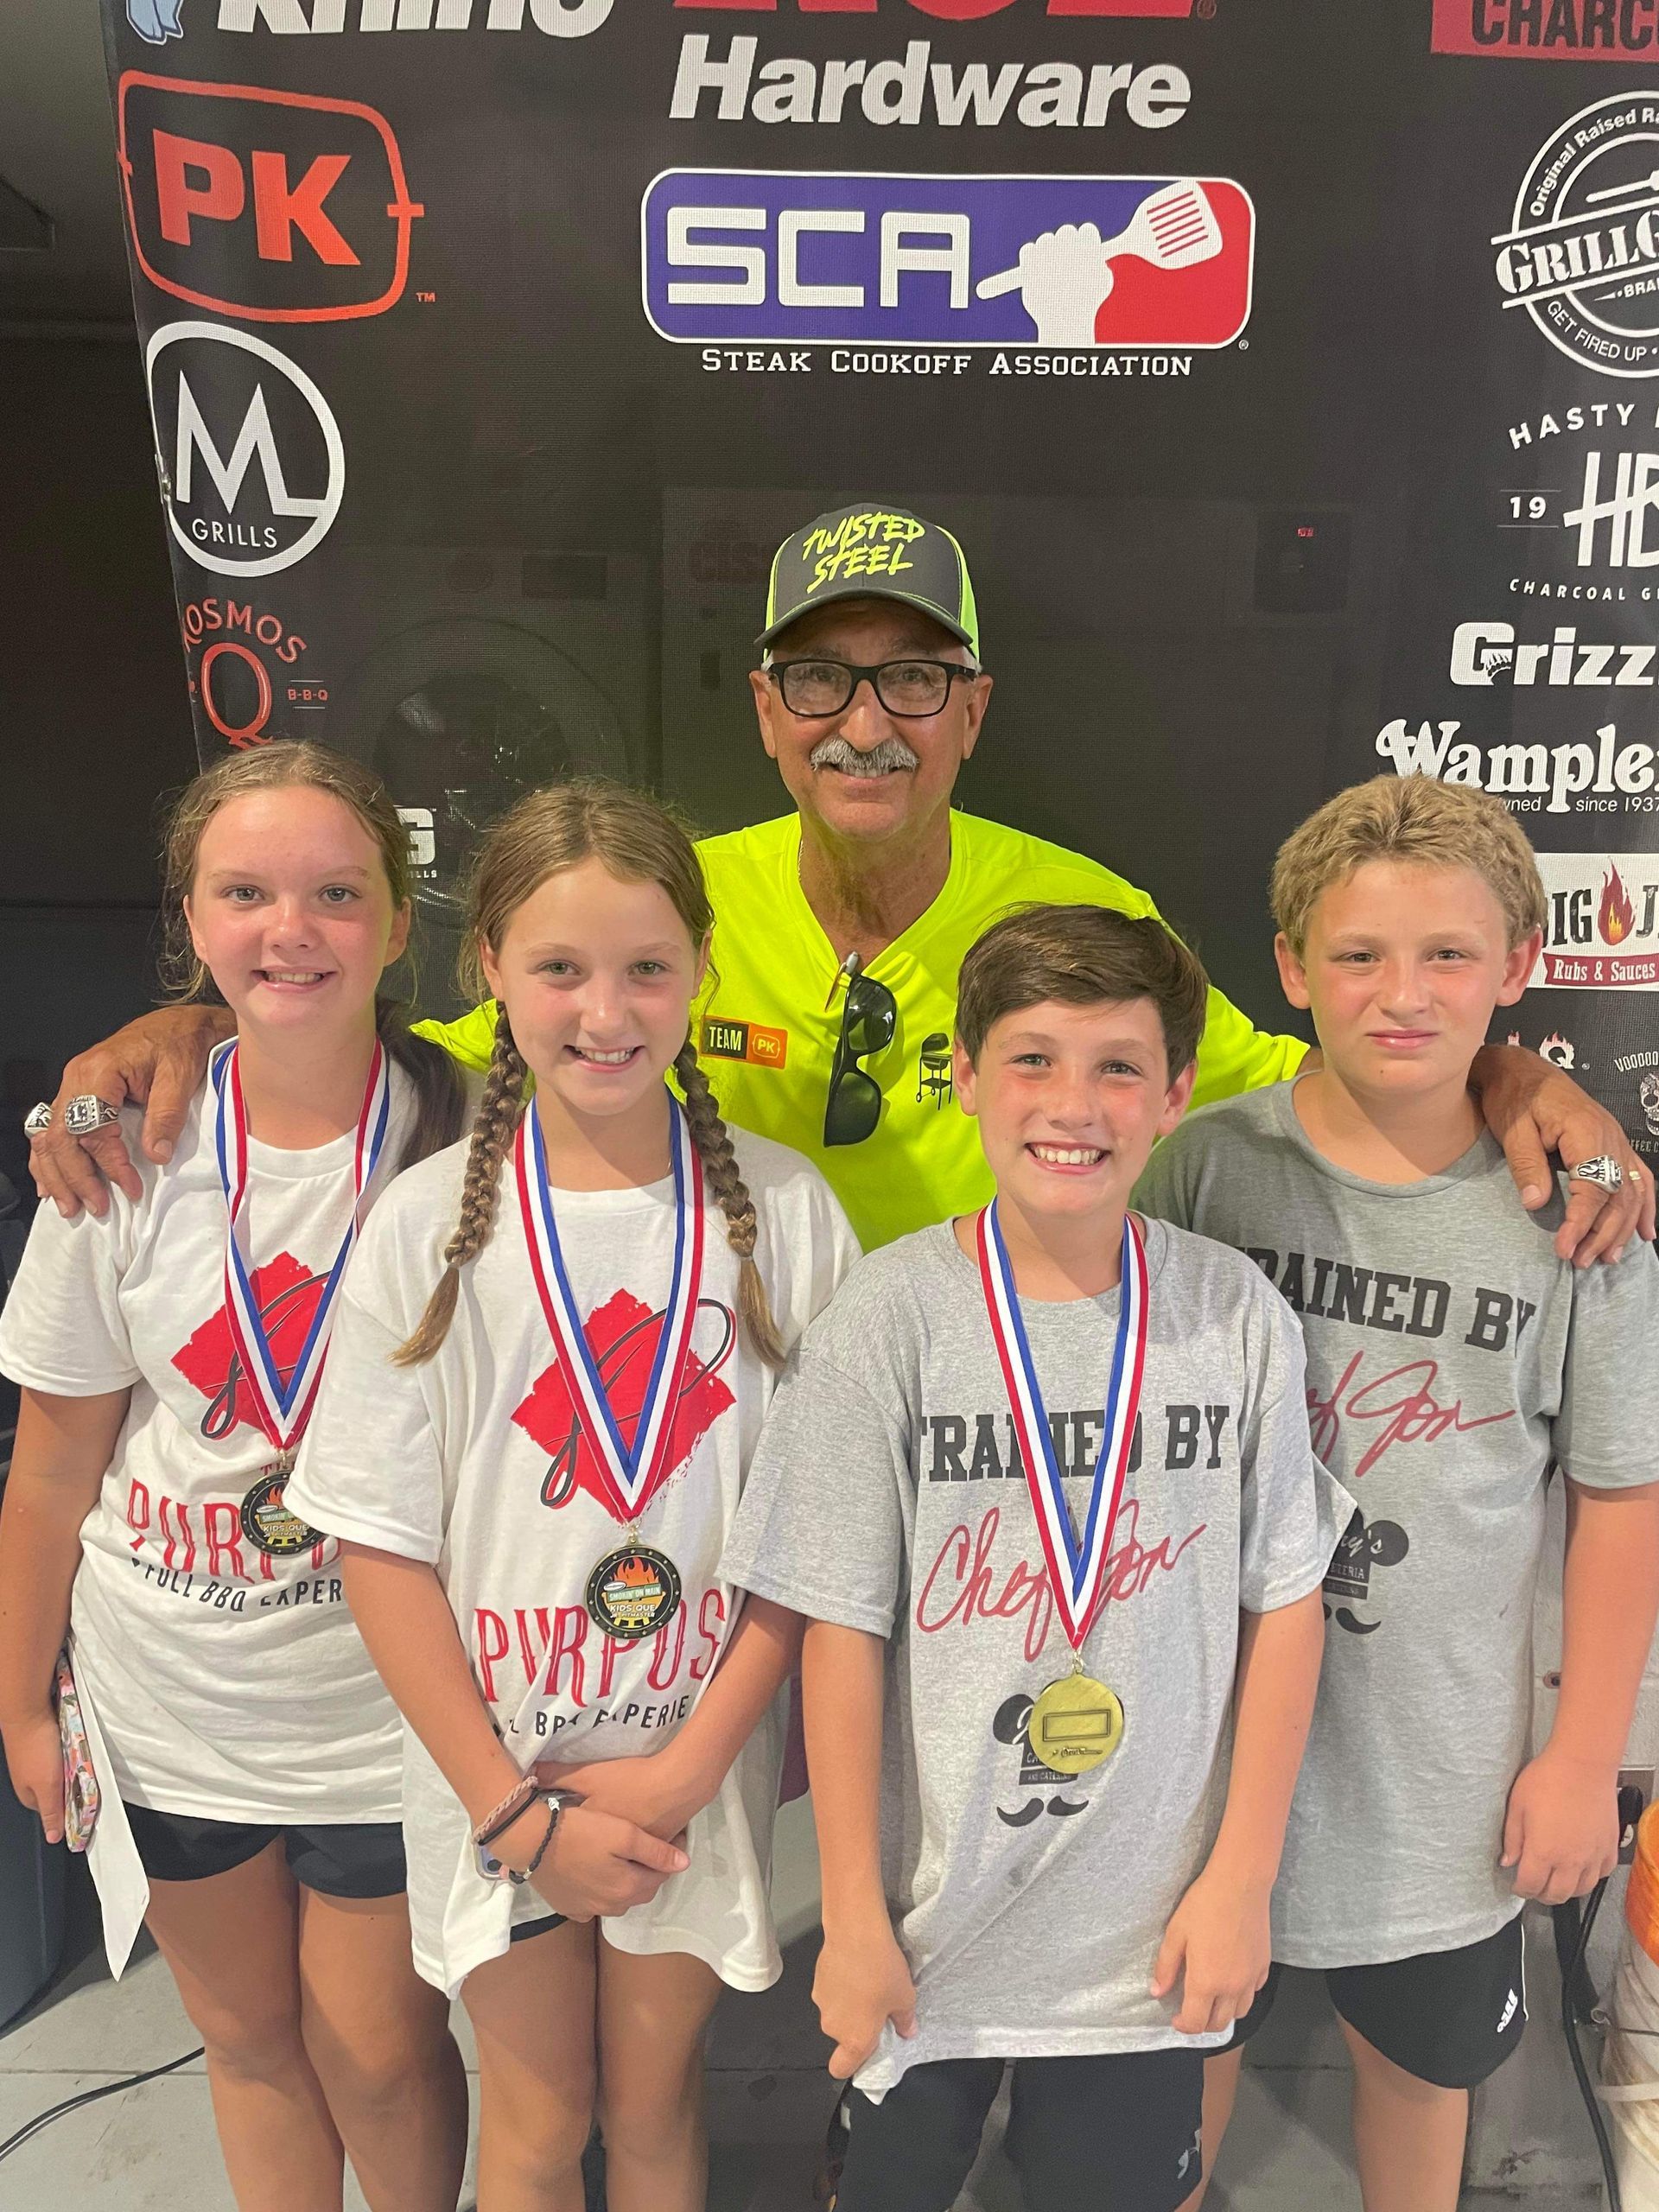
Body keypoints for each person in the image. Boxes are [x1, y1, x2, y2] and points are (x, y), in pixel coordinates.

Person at [25, 504, 1650, 1266]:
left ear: (976, 712)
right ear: (763, 713)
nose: (865, 724)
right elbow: (423, 1070)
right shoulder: (670, 908)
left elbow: (1322, 1087)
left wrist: (1509, 1069)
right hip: (696, 1413)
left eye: (914, 680)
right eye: (819, 681)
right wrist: (192, 1031)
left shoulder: (1084, 914)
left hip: (984, 1425)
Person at [720, 902, 1352, 2212]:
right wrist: (846, 1914)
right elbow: (840, 1629)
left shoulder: (1232, 1315)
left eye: (1120, 1066)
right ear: (964, 1072)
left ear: (1175, 1095)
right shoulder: (889, 1321)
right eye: (1035, 1059)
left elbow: (1286, 1607)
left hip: (1146, 1940)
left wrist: (1243, 1879)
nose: (1077, 1102)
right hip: (926, 1934)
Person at [283, 780, 861, 2212]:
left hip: (693, 1769)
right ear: (486, 970)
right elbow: (378, 1549)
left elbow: (820, 1546)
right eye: (559, 968)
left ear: (702, 971)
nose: (606, 1010)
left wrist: (680, 1772)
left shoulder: (784, 1216)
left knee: (659, 2115)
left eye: (647, 968)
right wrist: (514, 1812)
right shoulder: (423, 1227)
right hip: (502, 1779)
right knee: (537, 2131)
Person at [1134, 776, 1659, 2212]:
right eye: (1358, 956)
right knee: (1174, 2081)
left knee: (1422, 2115)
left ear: (1520, 965)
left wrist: (1584, 1756)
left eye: (1446, 956)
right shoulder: (1204, 1170)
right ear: (1294, 968)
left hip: (1441, 1780)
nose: (1402, 994)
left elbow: (1622, 1496)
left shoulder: (1578, 1219)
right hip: (1199, 1760)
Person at [0, 744, 469, 2212]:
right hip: (172, 1694)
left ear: (401, 924)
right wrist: (20, 1702)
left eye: (337, 893)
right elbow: (55, 1459)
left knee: (382, 2052)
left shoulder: (477, 1147)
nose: (293, 929)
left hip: (378, 1702)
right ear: (193, 924)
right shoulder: (120, 1156)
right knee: (247, 2038)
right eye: (247, 893)